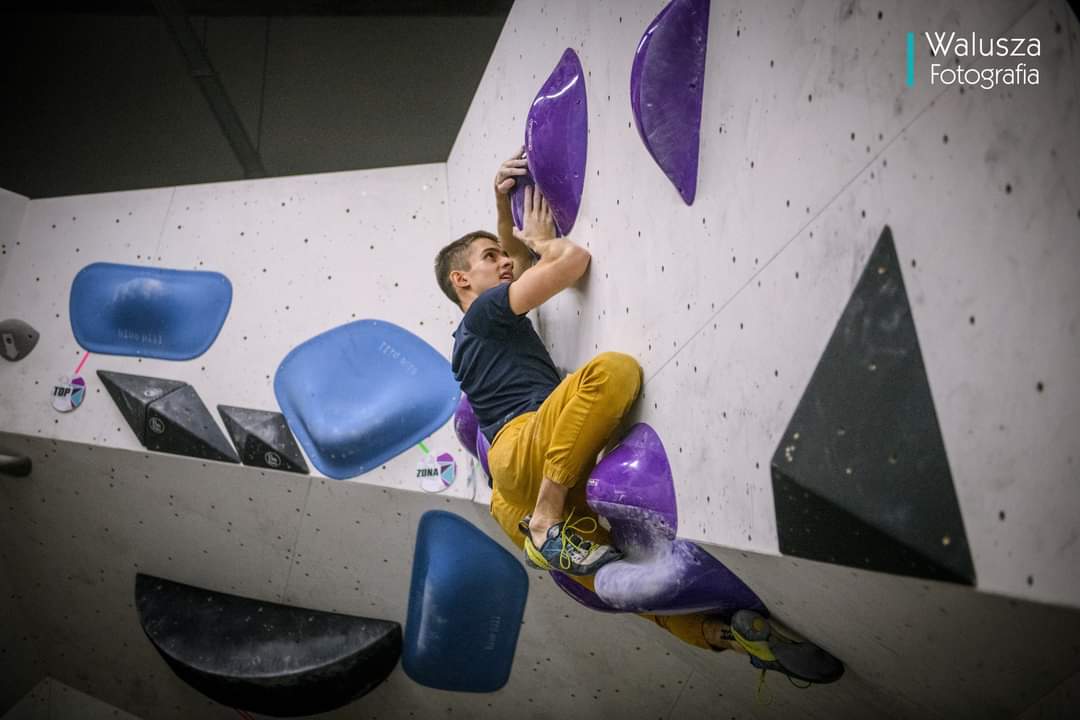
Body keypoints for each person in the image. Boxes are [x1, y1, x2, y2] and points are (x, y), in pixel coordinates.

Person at [433, 149, 844, 681]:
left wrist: (501, 209)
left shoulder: (473, 337)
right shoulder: (487, 313)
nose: (506, 260)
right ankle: (547, 520)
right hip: (531, 453)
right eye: (492, 257)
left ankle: (727, 635)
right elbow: (571, 263)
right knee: (614, 372)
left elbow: (509, 266)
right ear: (462, 281)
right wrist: (542, 242)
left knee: (622, 582)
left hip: (512, 492)